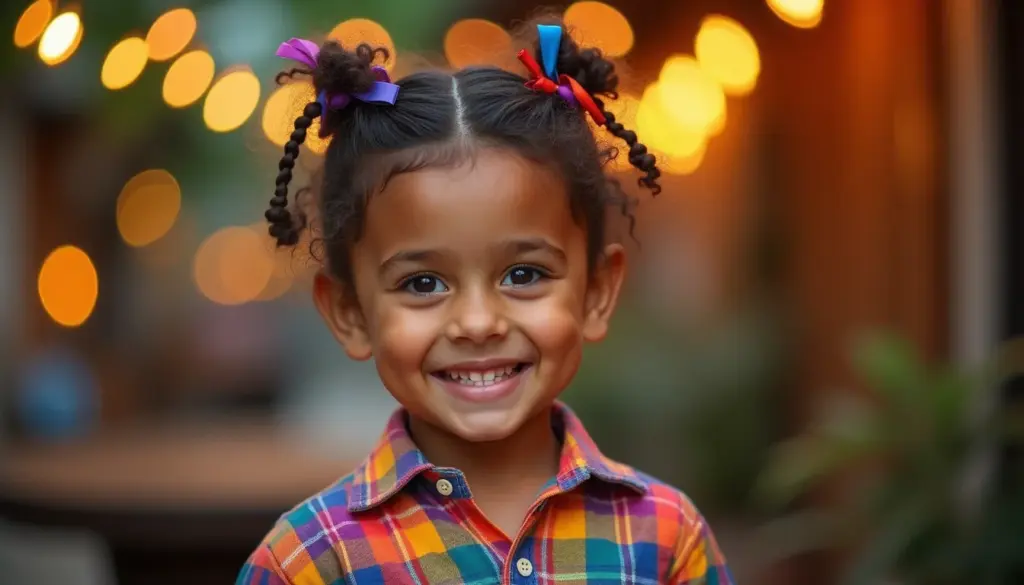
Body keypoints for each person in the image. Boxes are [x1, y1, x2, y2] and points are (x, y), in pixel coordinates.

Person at [236, 16, 734, 585]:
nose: (477, 322)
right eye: (423, 283)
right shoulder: (310, 562)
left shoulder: (666, 539)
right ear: (350, 313)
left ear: (596, 292)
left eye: (523, 274)